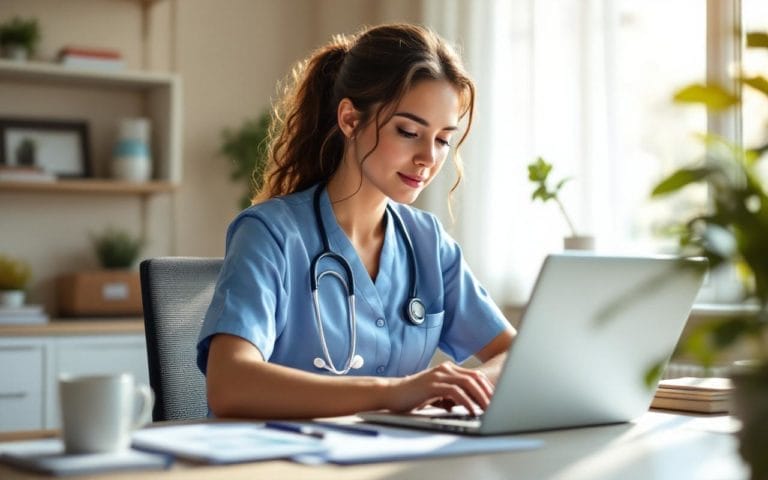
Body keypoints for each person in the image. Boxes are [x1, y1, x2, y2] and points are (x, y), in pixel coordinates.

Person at [197, 23, 516, 420]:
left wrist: (467, 387)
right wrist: (394, 393)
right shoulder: (271, 234)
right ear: (350, 120)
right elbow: (230, 384)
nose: (428, 158)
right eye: (409, 131)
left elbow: (513, 355)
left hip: (384, 457)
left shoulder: (428, 243)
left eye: (442, 140)